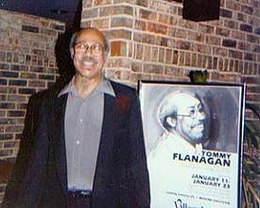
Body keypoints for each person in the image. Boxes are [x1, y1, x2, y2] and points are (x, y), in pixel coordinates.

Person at [2, 27, 150, 208]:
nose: (89, 53)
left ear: (105, 55)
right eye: (82, 46)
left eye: (96, 48)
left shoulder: (125, 100)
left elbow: (137, 165)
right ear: (72, 53)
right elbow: (36, 166)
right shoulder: (49, 104)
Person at [147, 91, 209, 208]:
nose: (202, 117)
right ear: (172, 121)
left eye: (200, 110)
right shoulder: (162, 158)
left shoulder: (194, 149)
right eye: (192, 112)